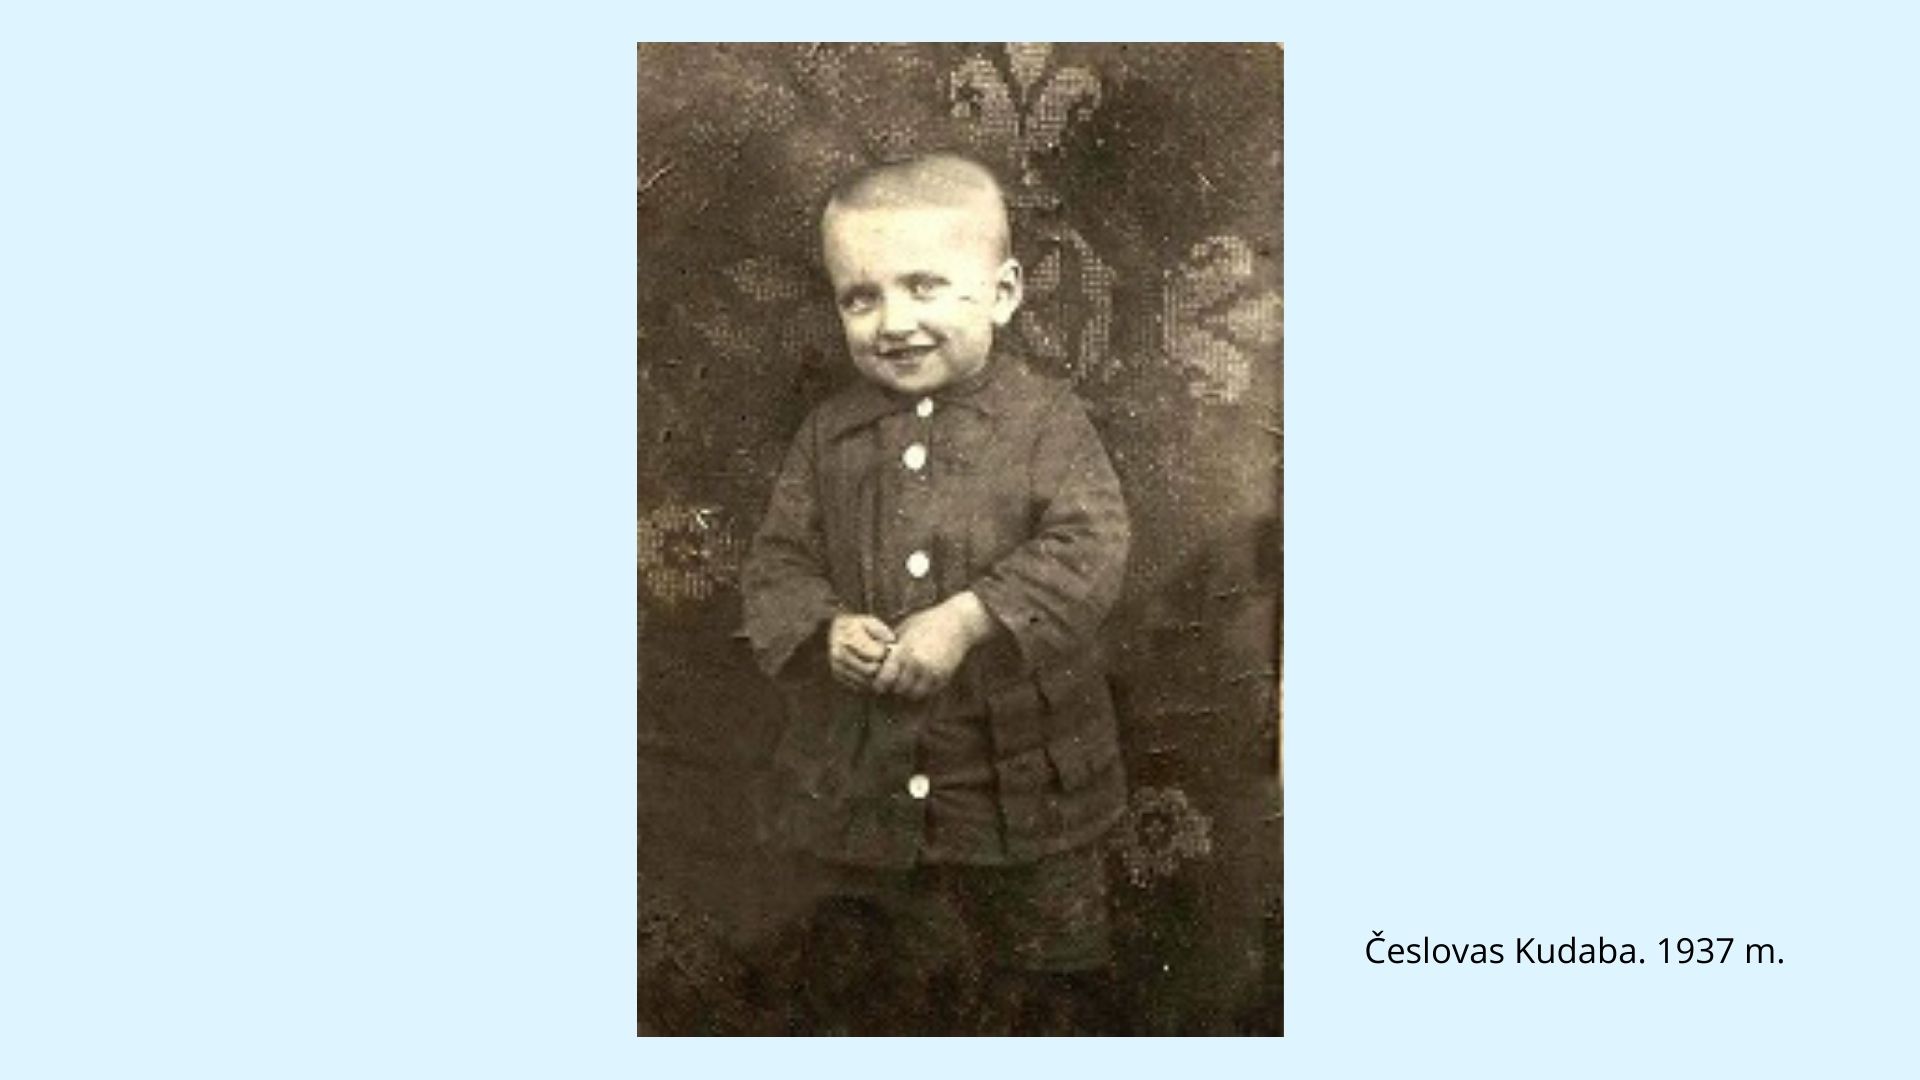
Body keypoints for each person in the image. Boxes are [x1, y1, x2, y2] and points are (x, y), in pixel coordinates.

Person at [741, 153, 1132, 1035]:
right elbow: (778, 562)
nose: (894, 322)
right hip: (867, 783)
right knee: (878, 981)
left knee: (1042, 979)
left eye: (924, 287)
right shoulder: (828, 435)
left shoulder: (1046, 422)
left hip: (1023, 777)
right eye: (861, 297)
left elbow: (1091, 544)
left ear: (1002, 292)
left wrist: (968, 618)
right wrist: (825, 627)